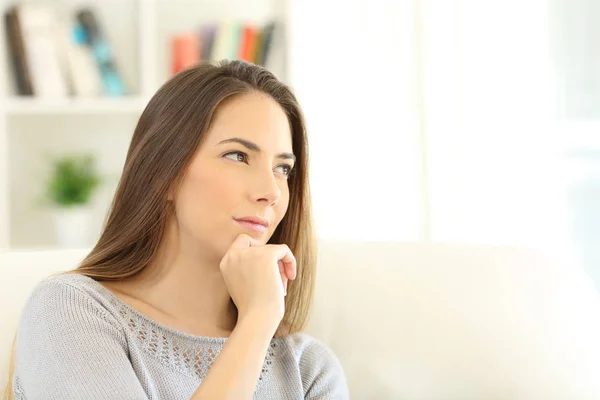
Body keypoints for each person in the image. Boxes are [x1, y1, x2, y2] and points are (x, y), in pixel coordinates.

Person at [7, 60, 349, 400]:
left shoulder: (308, 370)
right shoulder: (69, 312)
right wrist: (257, 320)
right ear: (163, 173)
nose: (271, 191)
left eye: (283, 168)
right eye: (238, 156)